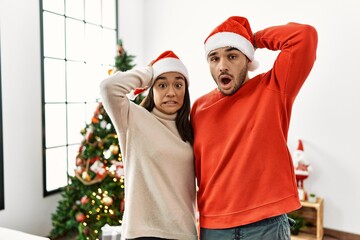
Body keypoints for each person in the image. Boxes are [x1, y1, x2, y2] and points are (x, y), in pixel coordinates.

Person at [190, 16, 318, 239]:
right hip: (214, 225)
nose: (222, 66)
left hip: (265, 224)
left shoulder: (274, 88)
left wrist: (253, 40)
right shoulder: (199, 108)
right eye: (214, 58)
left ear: (248, 60)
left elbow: (304, 37)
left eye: (232, 55)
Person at [100, 50, 198, 240]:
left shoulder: (192, 127)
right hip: (142, 232)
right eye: (162, 85)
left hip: (184, 232)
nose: (171, 92)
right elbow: (108, 87)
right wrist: (149, 72)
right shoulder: (132, 118)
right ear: (151, 89)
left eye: (178, 85)